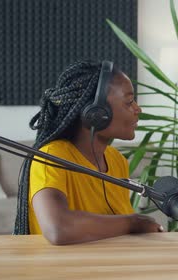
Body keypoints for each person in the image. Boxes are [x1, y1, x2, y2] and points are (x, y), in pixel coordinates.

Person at [15, 60, 163, 245]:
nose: (137, 109)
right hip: (60, 272)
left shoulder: (117, 160)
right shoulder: (50, 157)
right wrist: (133, 222)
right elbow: (58, 228)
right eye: (129, 101)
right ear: (96, 113)